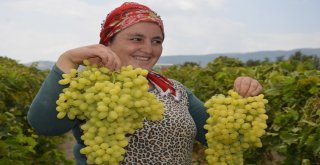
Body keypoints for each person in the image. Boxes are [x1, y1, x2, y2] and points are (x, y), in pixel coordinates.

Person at [27, 2, 262, 165]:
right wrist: (67, 60)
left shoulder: (175, 90)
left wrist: (242, 101)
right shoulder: (89, 86)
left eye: (157, 41)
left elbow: (221, 137)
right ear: (107, 43)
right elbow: (44, 125)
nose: (149, 49)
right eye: (136, 39)